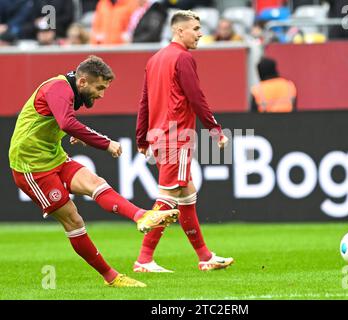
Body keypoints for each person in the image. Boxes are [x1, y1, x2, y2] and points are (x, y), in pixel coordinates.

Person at [8, 55, 179, 287]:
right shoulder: (58, 87)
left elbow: (57, 119)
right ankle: (111, 277)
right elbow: (66, 122)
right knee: (74, 220)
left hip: (54, 156)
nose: (101, 94)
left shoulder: (71, 89)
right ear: (82, 82)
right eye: (99, 88)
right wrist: (105, 143)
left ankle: (142, 216)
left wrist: (74, 133)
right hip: (31, 167)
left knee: (95, 183)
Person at [135, 10, 234, 273]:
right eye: (195, 28)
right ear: (180, 31)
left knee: (186, 195)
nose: (201, 33)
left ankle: (205, 256)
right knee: (168, 197)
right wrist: (215, 130)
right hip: (175, 137)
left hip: (159, 135)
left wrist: (141, 137)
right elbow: (196, 97)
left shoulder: (155, 59)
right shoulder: (183, 58)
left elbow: (144, 100)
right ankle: (144, 259)